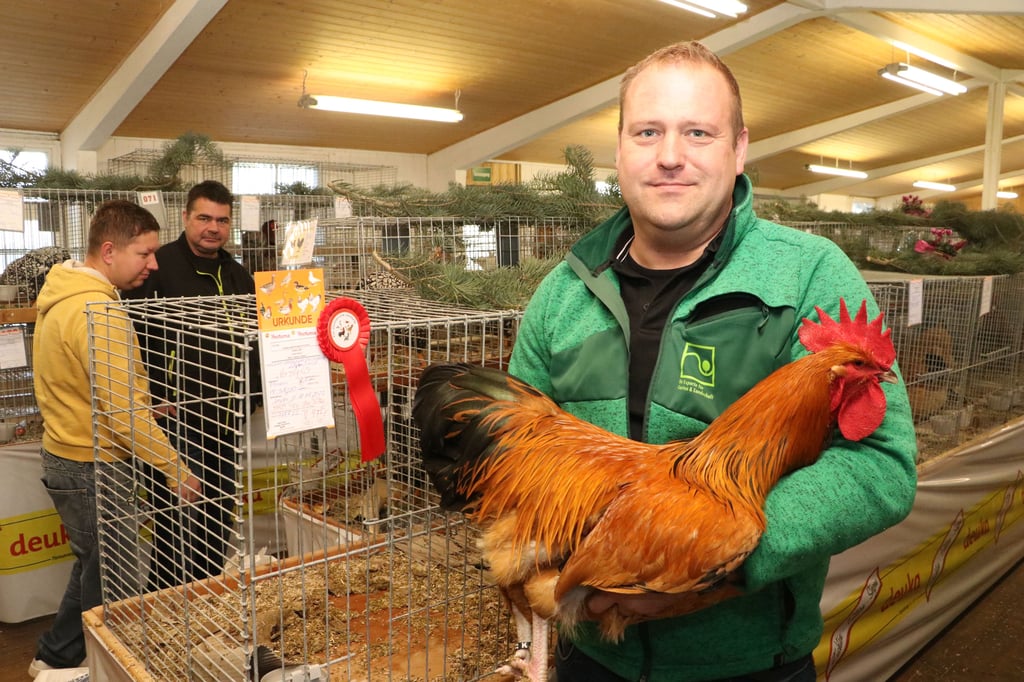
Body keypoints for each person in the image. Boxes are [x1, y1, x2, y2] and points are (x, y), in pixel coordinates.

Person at [506, 41, 918, 682]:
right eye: (648, 131)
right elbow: (511, 458)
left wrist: (712, 553)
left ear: (739, 148)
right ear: (620, 149)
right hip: (589, 656)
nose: (670, 155)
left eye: (698, 132)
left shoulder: (809, 274)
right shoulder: (563, 292)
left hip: (750, 666)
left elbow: (882, 467)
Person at [30, 200, 201, 678]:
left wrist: (141, 405)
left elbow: (86, 386)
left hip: (67, 454)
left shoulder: (63, 295)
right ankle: (92, 666)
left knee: (96, 568)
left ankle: (56, 656)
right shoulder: (100, 311)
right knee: (116, 579)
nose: (154, 264)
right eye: (144, 253)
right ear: (109, 251)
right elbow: (123, 413)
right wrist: (175, 468)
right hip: (93, 465)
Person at [124, 179, 257, 589]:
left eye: (222, 220)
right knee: (174, 527)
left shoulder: (239, 275)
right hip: (174, 424)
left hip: (226, 422)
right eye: (204, 218)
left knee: (218, 519)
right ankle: (163, 607)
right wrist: (153, 397)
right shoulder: (157, 267)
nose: (212, 227)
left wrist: (251, 398)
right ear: (185, 217)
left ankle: (207, 599)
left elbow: (255, 339)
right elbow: (132, 337)